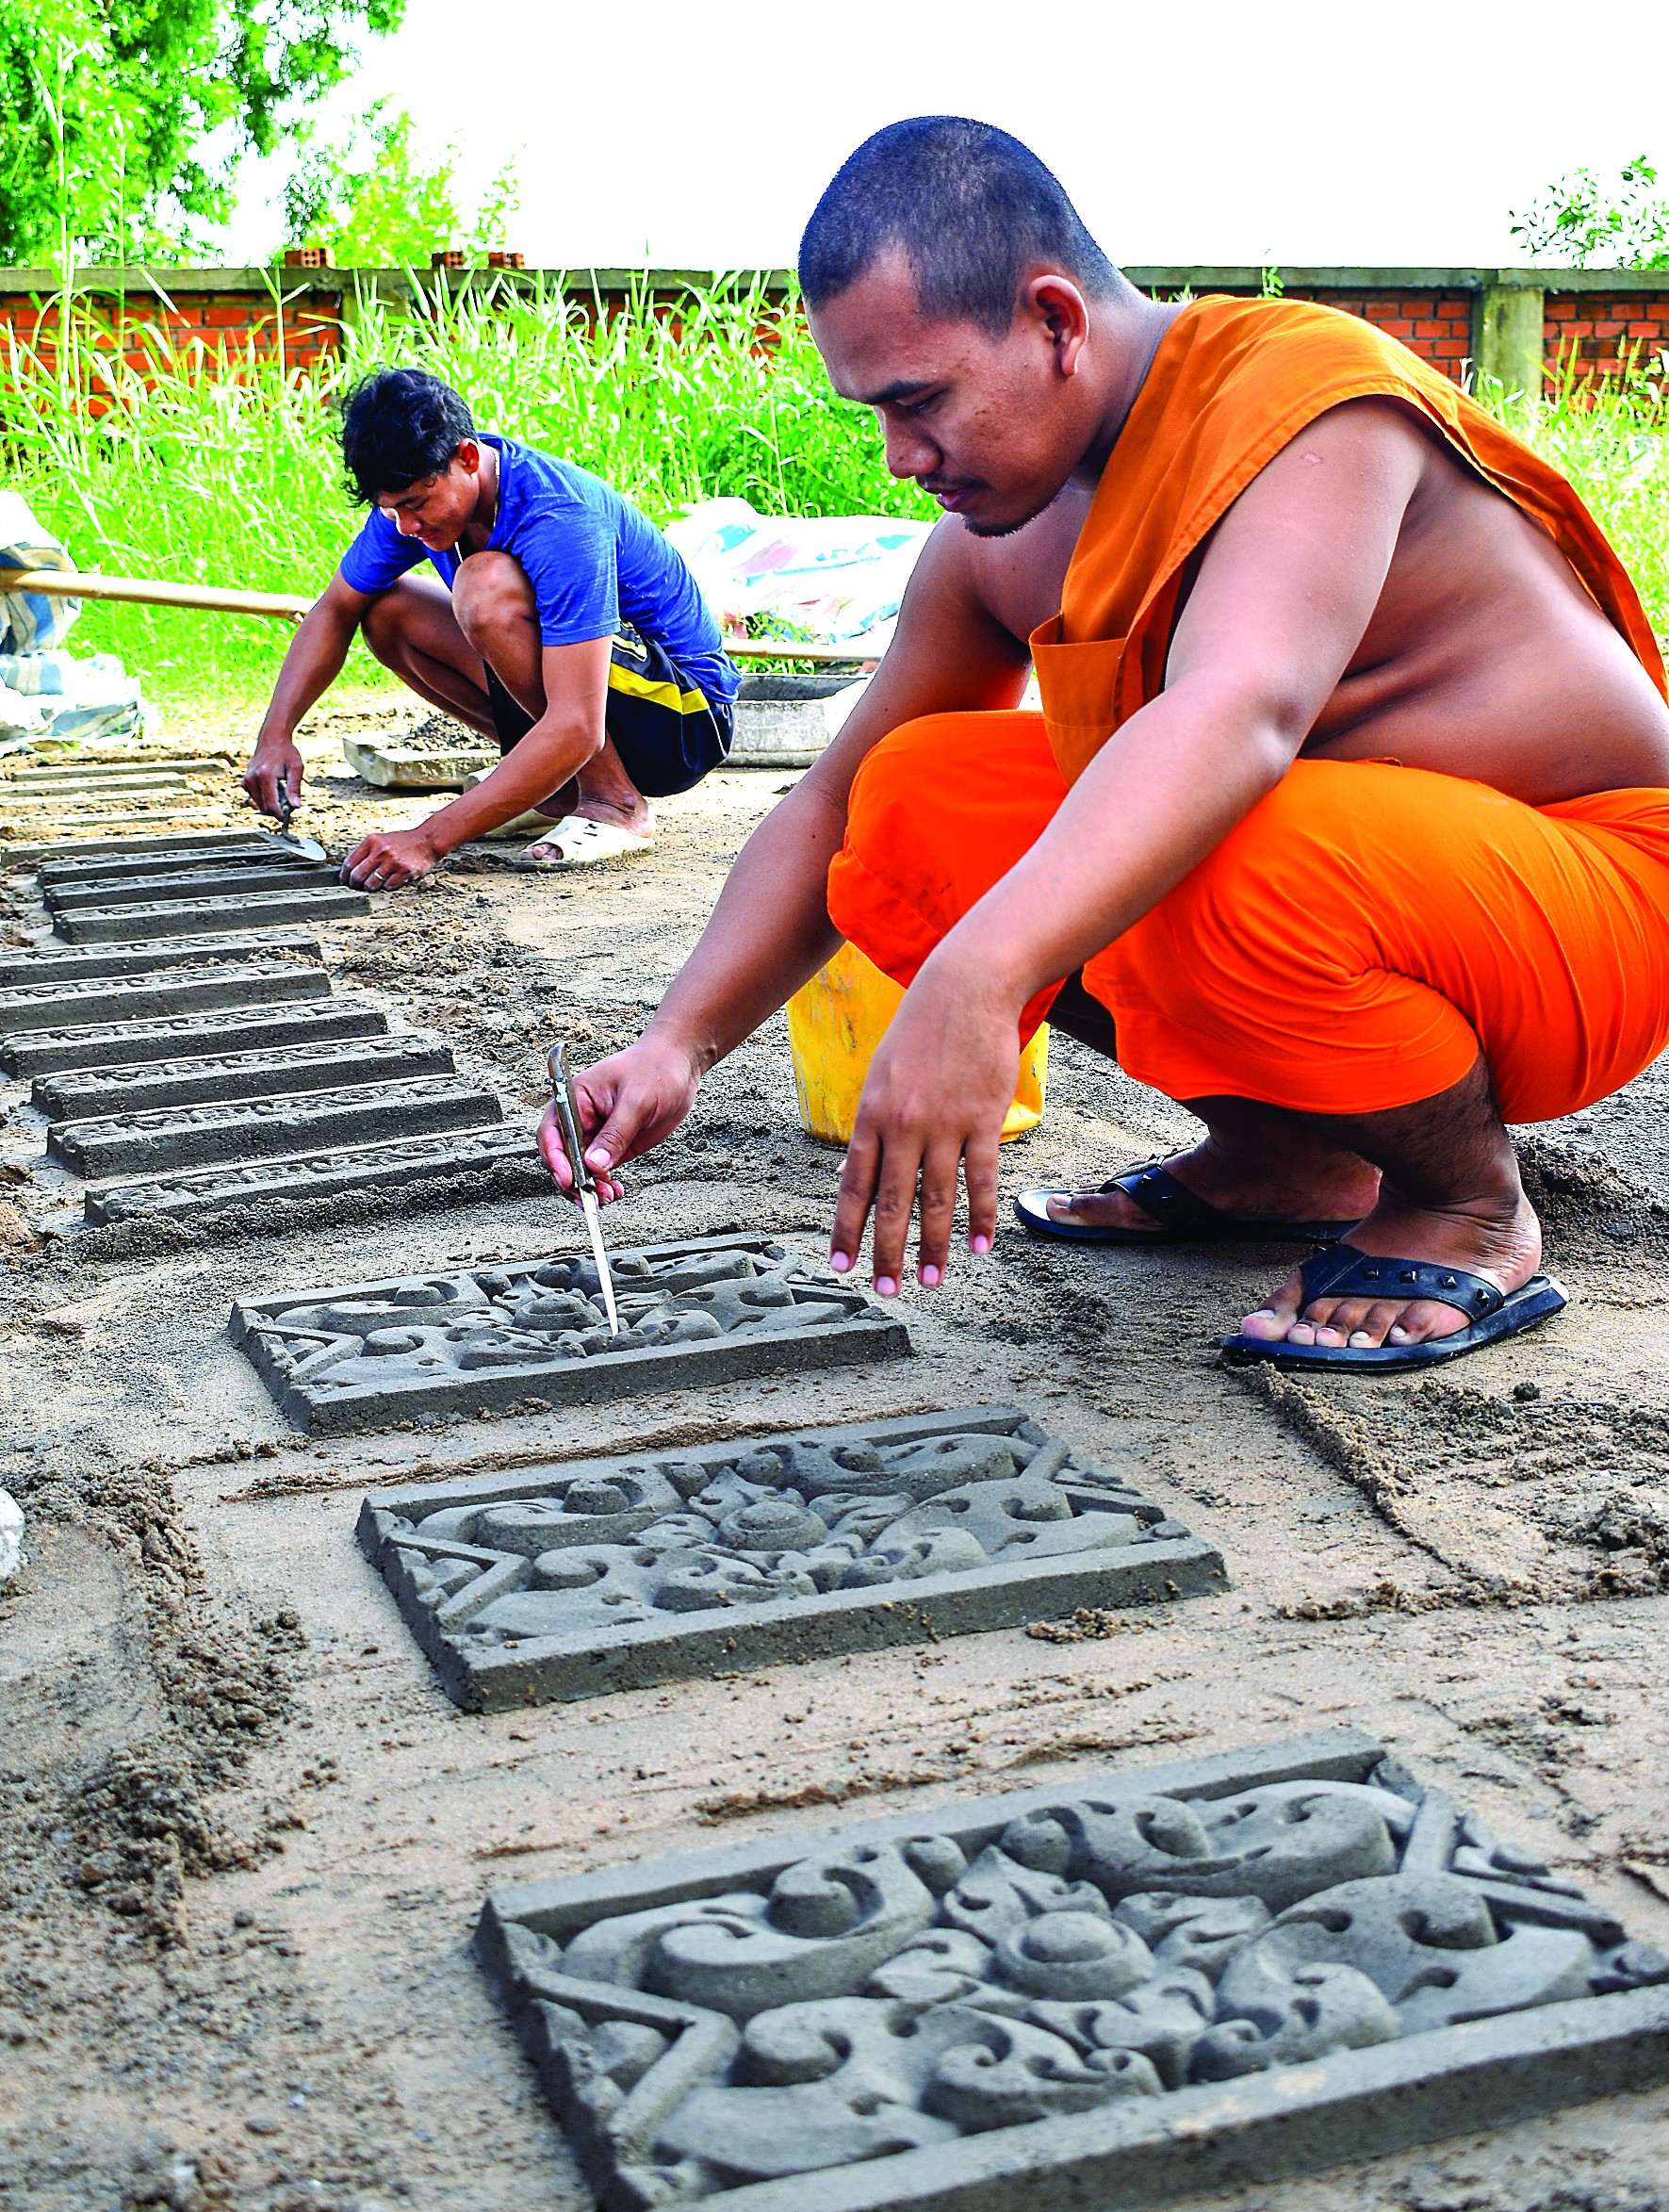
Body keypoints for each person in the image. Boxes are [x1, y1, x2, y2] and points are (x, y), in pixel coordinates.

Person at [537, 116, 1669, 1374]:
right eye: (875, 414)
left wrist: (974, 981)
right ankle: (1288, 1156)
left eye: (919, 402)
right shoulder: (993, 535)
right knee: (912, 803)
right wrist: (675, 1041)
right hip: (1354, 898)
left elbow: (1233, 717)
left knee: (1215, 833)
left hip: (1588, 909)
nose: (900, 459)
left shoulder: (1299, 402)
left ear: (1053, 321)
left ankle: (1465, 1204)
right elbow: (834, 804)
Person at [241, 368, 738, 881]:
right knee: (387, 609)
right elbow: (335, 608)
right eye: (391, 511)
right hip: (596, 703)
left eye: (416, 504)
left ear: (468, 459)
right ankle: (554, 790)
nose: (407, 527)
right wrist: (276, 734)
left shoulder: (558, 518)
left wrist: (428, 838)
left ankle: (614, 801)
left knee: (484, 586)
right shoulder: (412, 505)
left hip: (682, 716)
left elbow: (578, 724)